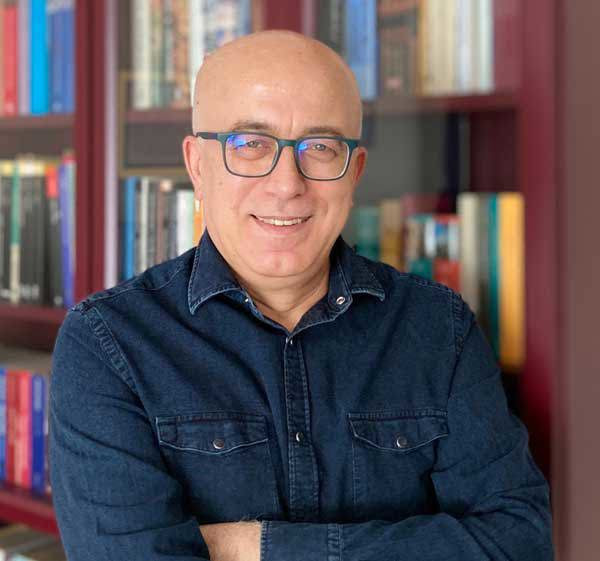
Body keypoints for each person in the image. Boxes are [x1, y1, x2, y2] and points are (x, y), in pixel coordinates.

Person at [49, 30, 554, 561]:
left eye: (320, 148)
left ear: (354, 172)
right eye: (250, 144)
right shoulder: (109, 345)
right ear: (197, 165)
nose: (287, 184)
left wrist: (259, 546)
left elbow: (518, 544)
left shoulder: (438, 327)